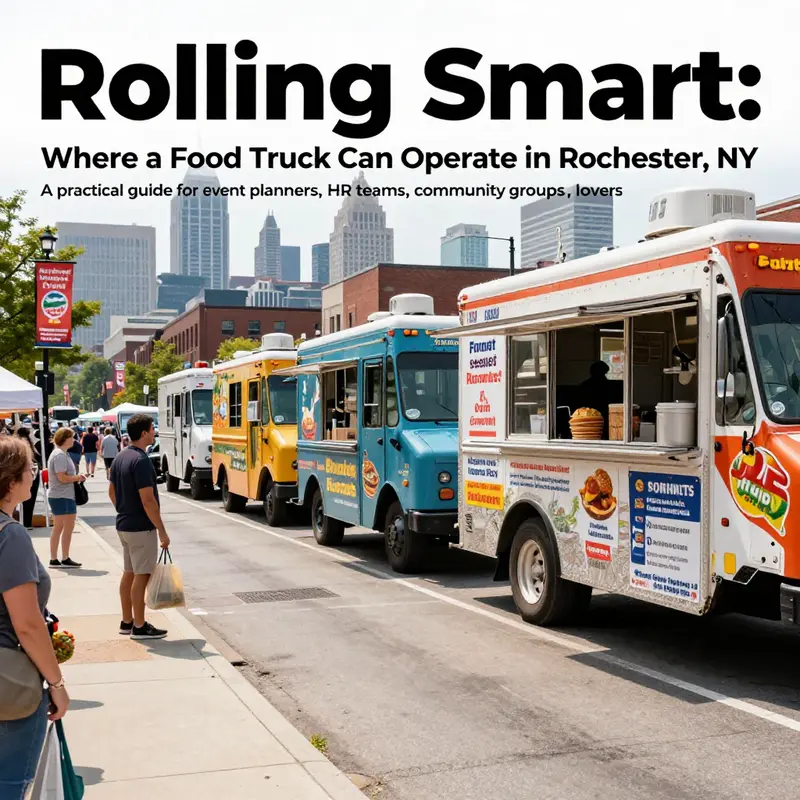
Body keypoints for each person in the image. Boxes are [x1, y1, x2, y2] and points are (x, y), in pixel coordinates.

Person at [0, 437, 70, 797]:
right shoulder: (9, 535)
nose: (34, 474)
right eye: (29, 469)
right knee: (10, 785)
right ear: (11, 481)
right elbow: (26, 624)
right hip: (9, 683)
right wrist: (56, 685)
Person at [108, 414, 170, 640]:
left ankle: (127, 621)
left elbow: (112, 492)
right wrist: (161, 530)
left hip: (124, 524)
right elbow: (148, 500)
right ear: (144, 433)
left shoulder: (120, 457)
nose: (154, 432)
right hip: (141, 527)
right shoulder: (141, 461)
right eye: (152, 429)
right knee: (141, 576)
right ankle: (140, 626)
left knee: (129, 573)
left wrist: (124, 509)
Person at [46, 428, 85, 569]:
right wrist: (77, 477)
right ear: (64, 438)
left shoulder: (63, 454)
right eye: (71, 437)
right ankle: (54, 558)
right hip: (60, 495)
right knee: (60, 527)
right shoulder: (59, 455)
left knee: (67, 527)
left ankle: (64, 557)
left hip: (66, 495)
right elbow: (61, 477)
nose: (73, 440)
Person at [17, 427, 40, 529]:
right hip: (34, 473)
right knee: (30, 499)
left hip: (24, 473)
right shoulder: (30, 444)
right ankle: (27, 522)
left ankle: (24, 521)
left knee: (22, 499)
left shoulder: (19, 443)